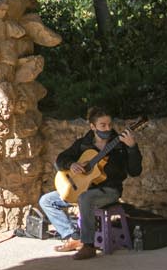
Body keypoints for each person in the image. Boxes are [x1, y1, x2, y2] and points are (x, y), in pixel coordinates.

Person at [37, 107, 142, 259]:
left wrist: (132, 147)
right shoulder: (83, 144)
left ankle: (88, 246)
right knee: (46, 200)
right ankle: (73, 235)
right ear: (93, 127)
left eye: (109, 125)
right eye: (103, 125)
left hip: (108, 190)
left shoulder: (119, 145)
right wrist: (71, 164)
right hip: (82, 188)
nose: (107, 128)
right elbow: (60, 160)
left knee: (85, 198)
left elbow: (135, 171)